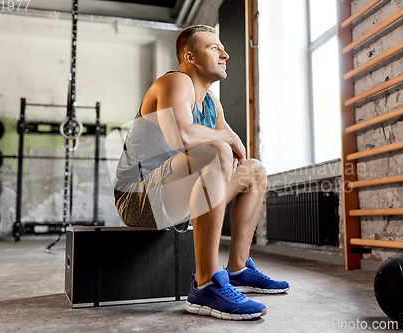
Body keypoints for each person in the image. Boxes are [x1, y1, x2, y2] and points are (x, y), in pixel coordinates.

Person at [114, 25, 289, 320]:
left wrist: (227, 150)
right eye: (214, 48)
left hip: (178, 192)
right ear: (190, 57)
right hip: (138, 198)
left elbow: (239, 159)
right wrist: (229, 140)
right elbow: (181, 136)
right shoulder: (174, 82)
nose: (225, 54)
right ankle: (205, 284)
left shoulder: (211, 103)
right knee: (216, 151)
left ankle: (238, 269)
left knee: (254, 171)